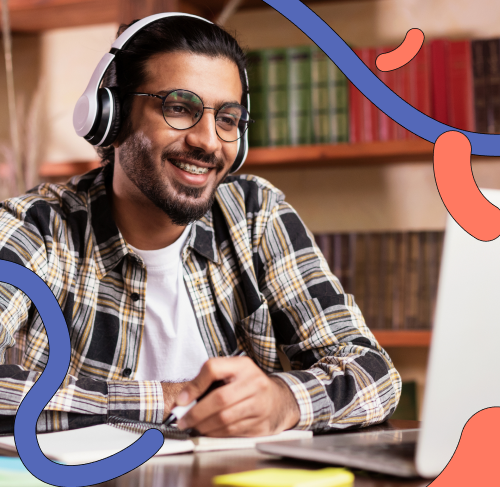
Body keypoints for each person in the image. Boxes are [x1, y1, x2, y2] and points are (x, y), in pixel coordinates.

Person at [0, 15, 401, 437]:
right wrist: (170, 399)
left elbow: (372, 371)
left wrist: (284, 401)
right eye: (179, 108)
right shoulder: (34, 227)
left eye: (227, 119)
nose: (208, 141)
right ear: (111, 118)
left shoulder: (255, 215)